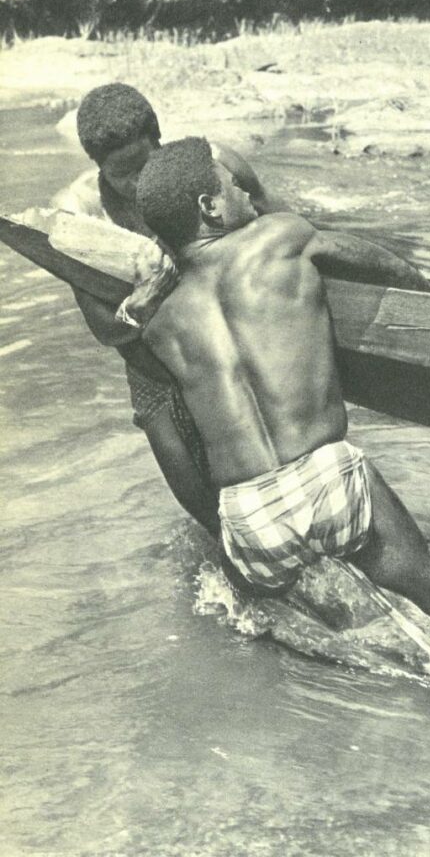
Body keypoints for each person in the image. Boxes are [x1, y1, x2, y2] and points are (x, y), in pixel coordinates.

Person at [132, 137, 430, 654]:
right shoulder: (278, 236)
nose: (243, 189)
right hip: (328, 475)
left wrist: (137, 306)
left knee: (274, 629)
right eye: (231, 184)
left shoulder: (158, 322)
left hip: (247, 514)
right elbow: (381, 263)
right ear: (210, 207)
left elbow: (148, 367)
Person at [49, 83, 287, 536]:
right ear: (97, 167)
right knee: (209, 515)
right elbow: (104, 329)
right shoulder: (79, 215)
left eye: (145, 164)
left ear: (159, 139)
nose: (138, 184)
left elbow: (283, 228)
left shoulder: (213, 167)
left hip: (232, 331)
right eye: (122, 174)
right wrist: (147, 298)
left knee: (288, 452)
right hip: (150, 359)